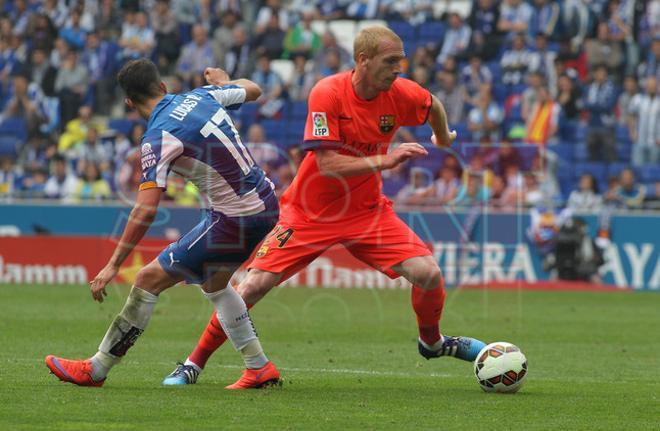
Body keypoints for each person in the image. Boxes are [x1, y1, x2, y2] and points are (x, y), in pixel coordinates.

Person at [162, 26, 487, 385]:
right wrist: (386, 160)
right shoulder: (328, 93)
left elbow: (432, 105)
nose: (399, 69)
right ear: (363, 60)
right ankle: (193, 364)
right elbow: (328, 165)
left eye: (401, 61)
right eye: (391, 61)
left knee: (428, 274)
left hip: (366, 211)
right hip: (307, 213)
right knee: (252, 285)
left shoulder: (401, 93)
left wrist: (442, 136)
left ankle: (432, 342)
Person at [45, 59, 281, 390]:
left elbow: (144, 211)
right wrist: (223, 81)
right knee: (215, 283)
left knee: (147, 278)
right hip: (265, 203)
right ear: (163, 86)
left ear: (129, 103)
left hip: (237, 216)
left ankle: (96, 369)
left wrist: (113, 264)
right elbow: (254, 89)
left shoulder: (158, 138)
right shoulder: (202, 96)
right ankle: (258, 367)